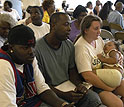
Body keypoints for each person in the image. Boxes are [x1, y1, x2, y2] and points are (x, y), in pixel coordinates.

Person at [35, 12, 103, 107]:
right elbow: (41, 84)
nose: (69, 29)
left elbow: (72, 71)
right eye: (66, 25)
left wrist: (79, 85)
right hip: (50, 92)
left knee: (92, 97)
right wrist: (64, 95)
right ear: (54, 26)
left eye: (70, 25)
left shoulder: (69, 45)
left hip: (68, 86)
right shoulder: (37, 49)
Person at [0, 24, 74, 107]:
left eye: (33, 46)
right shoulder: (3, 66)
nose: (31, 51)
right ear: (11, 48)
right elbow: (7, 105)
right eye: (25, 48)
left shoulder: (29, 59)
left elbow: (41, 87)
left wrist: (63, 105)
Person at [75, 15, 124, 107]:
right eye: (96, 29)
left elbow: (109, 55)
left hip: (108, 76)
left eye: (100, 28)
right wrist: (108, 88)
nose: (99, 32)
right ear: (86, 30)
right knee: (118, 104)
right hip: (95, 85)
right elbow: (87, 76)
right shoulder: (81, 47)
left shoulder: (98, 40)